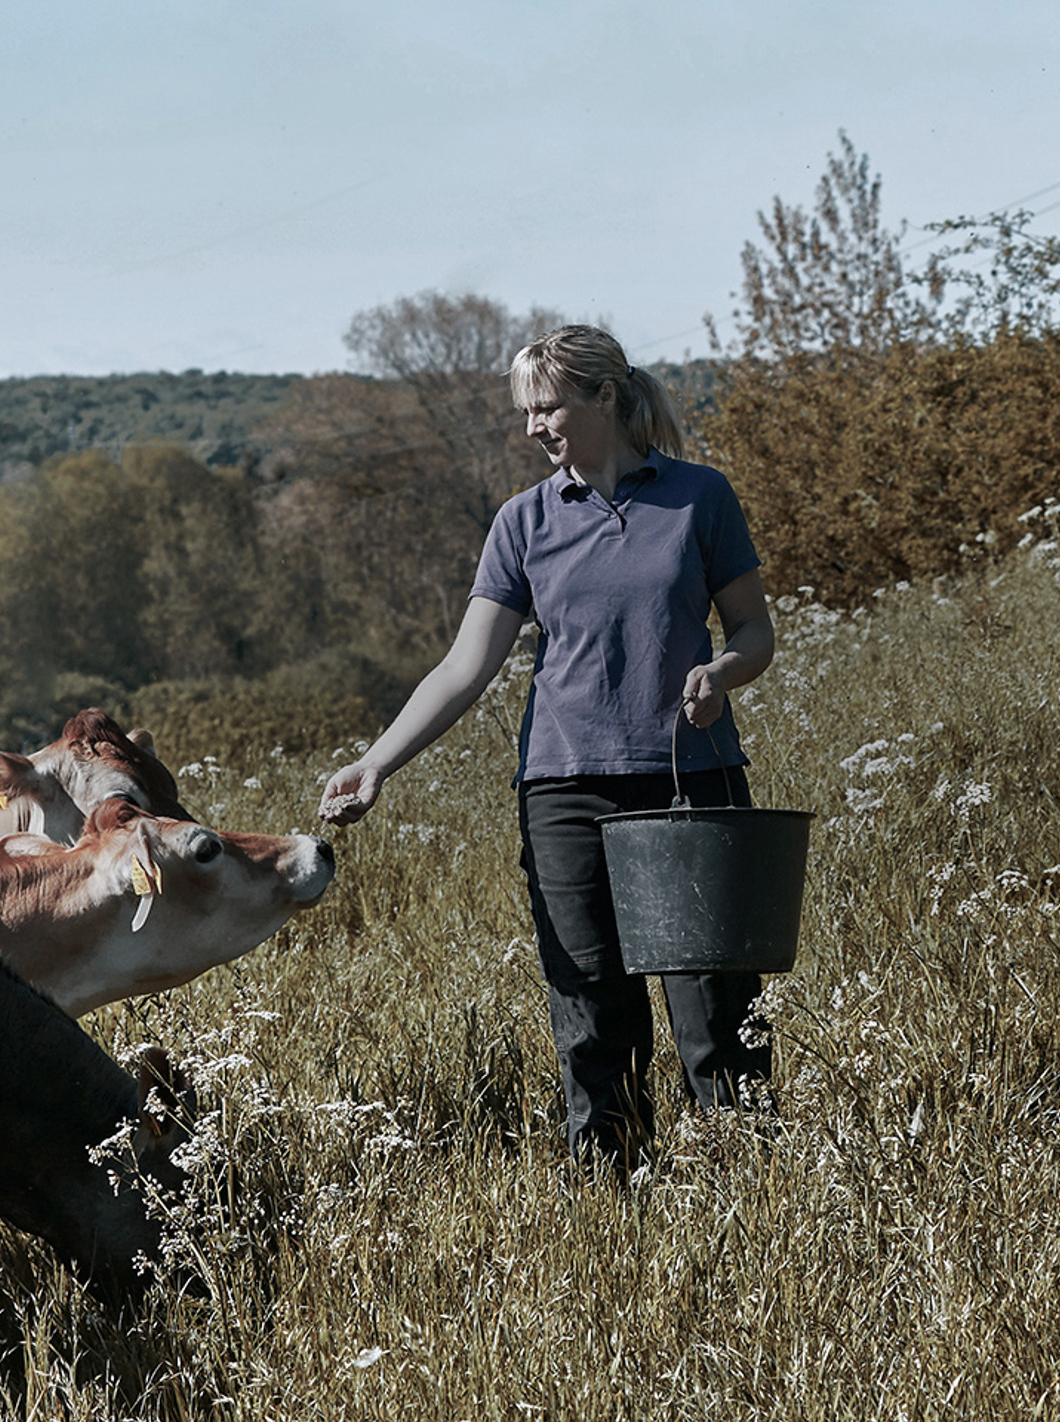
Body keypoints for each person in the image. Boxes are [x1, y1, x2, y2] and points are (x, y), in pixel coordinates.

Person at [317, 323, 777, 1174]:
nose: (534, 426)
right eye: (527, 411)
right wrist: (376, 761)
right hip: (563, 792)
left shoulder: (698, 497)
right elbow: (466, 666)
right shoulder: (522, 522)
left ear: (605, 398)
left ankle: (746, 1189)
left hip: (690, 781)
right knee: (592, 1010)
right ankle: (613, 1199)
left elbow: (754, 630)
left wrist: (722, 671)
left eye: (549, 406)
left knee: (713, 1005)